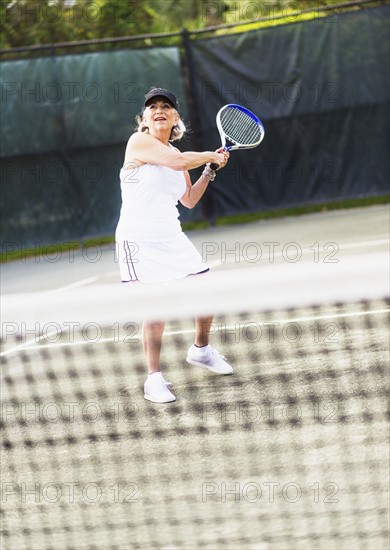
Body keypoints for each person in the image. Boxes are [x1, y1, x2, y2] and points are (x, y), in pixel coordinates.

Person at [115, 87, 233, 403]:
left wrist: (209, 170)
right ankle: (153, 379)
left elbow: (190, 200)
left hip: (171, 237)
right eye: (152, 106)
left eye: (166, 106)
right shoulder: (139, 143)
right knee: (157, 309)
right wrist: (210, 154)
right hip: (138, 239)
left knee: (206, 289)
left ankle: (202, 349)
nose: (159, 110)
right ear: (145, 118)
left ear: (175, 117)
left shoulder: (174, 155)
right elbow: (179, 162)